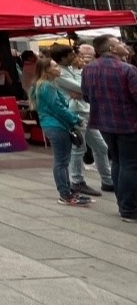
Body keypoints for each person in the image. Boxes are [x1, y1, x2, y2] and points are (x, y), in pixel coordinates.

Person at [82, 34, 137, 223]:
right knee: (130, 163)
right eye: (119, 43)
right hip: (129, 123)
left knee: (118, 161)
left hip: (104, 122)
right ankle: (129, 208)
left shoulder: (88, 69)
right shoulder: (127, 69)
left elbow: (86, 96)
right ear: (112, 49)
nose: (124, 45)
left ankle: (124, 204)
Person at [30, 56, 88, 206]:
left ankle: (67, 190)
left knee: (62, 160)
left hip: (53, 125)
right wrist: (76, 119)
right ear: (46, 70)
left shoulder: (43, 85)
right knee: (61, 161)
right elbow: (58, 108)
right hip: (57, 126)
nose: (58, 69)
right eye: (55, 66)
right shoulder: (46, 86)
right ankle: (65, 193)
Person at [54, 45, 110, 198]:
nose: (75, 56)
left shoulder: (74, 69)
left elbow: (83, 86)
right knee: (78, 148)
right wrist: (82, 88)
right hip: (75, 113)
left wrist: (81, 84)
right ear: (63, 57)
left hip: (86, 110)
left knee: (101, 147)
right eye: (71, 54)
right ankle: (77, 180)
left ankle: (107, 179)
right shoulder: (59, 73)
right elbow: (83, 86)